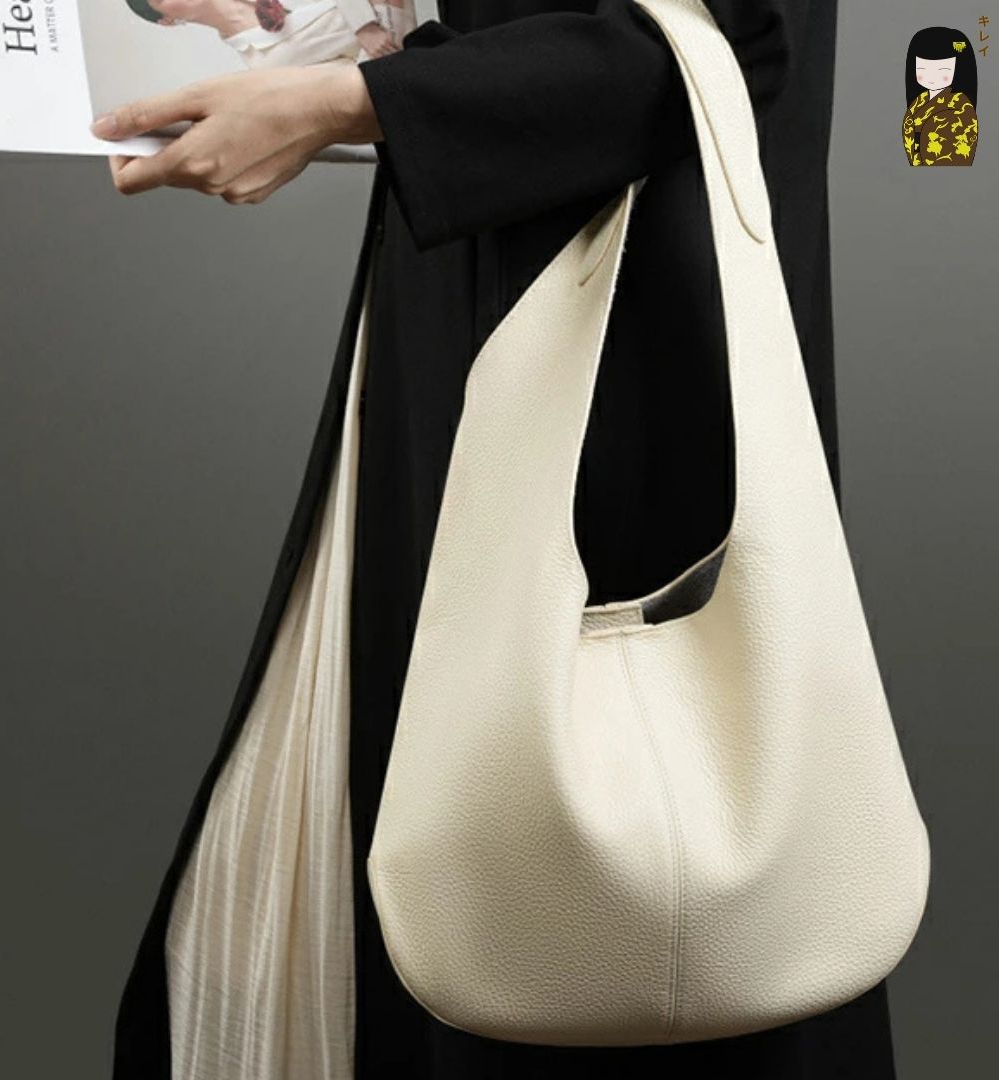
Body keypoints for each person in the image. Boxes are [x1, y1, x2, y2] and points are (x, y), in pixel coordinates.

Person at [105, 2, 901, 1077]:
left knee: (619, 912)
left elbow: (731, 33)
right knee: (469, 888)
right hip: (468, 315)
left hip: (641, 368)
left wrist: (353, 102)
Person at [125, 0, 415, 66]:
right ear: (167, 20)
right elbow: (359, 81)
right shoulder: (262, 62)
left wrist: (363, 24)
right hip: (418, 65)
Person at [902, 25, 979, 166]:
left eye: (942, 70)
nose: (931, 77)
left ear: (958, 68)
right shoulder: (920, 100)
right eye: (922, 69)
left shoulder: (961, 108)